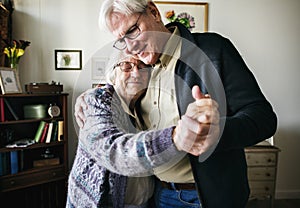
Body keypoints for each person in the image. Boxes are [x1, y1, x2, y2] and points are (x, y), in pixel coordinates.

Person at [74, 0, 277, 207]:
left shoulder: (214, 49)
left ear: (153, 12)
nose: (131, 47)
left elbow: (263, 118)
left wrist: (218, 131)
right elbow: (115, 89)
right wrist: (93, 96)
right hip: (158, 195)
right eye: (122, 40)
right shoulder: (138, 66)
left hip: (210, 198)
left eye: (133, 31)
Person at [68, 54, 216, 208]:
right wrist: (174, 138)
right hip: (98, 202)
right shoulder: (97, 100)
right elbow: (113, 151)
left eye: (142, 67)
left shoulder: (144, 105)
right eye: (126, 66)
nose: (136, 73)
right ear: (112, 75)